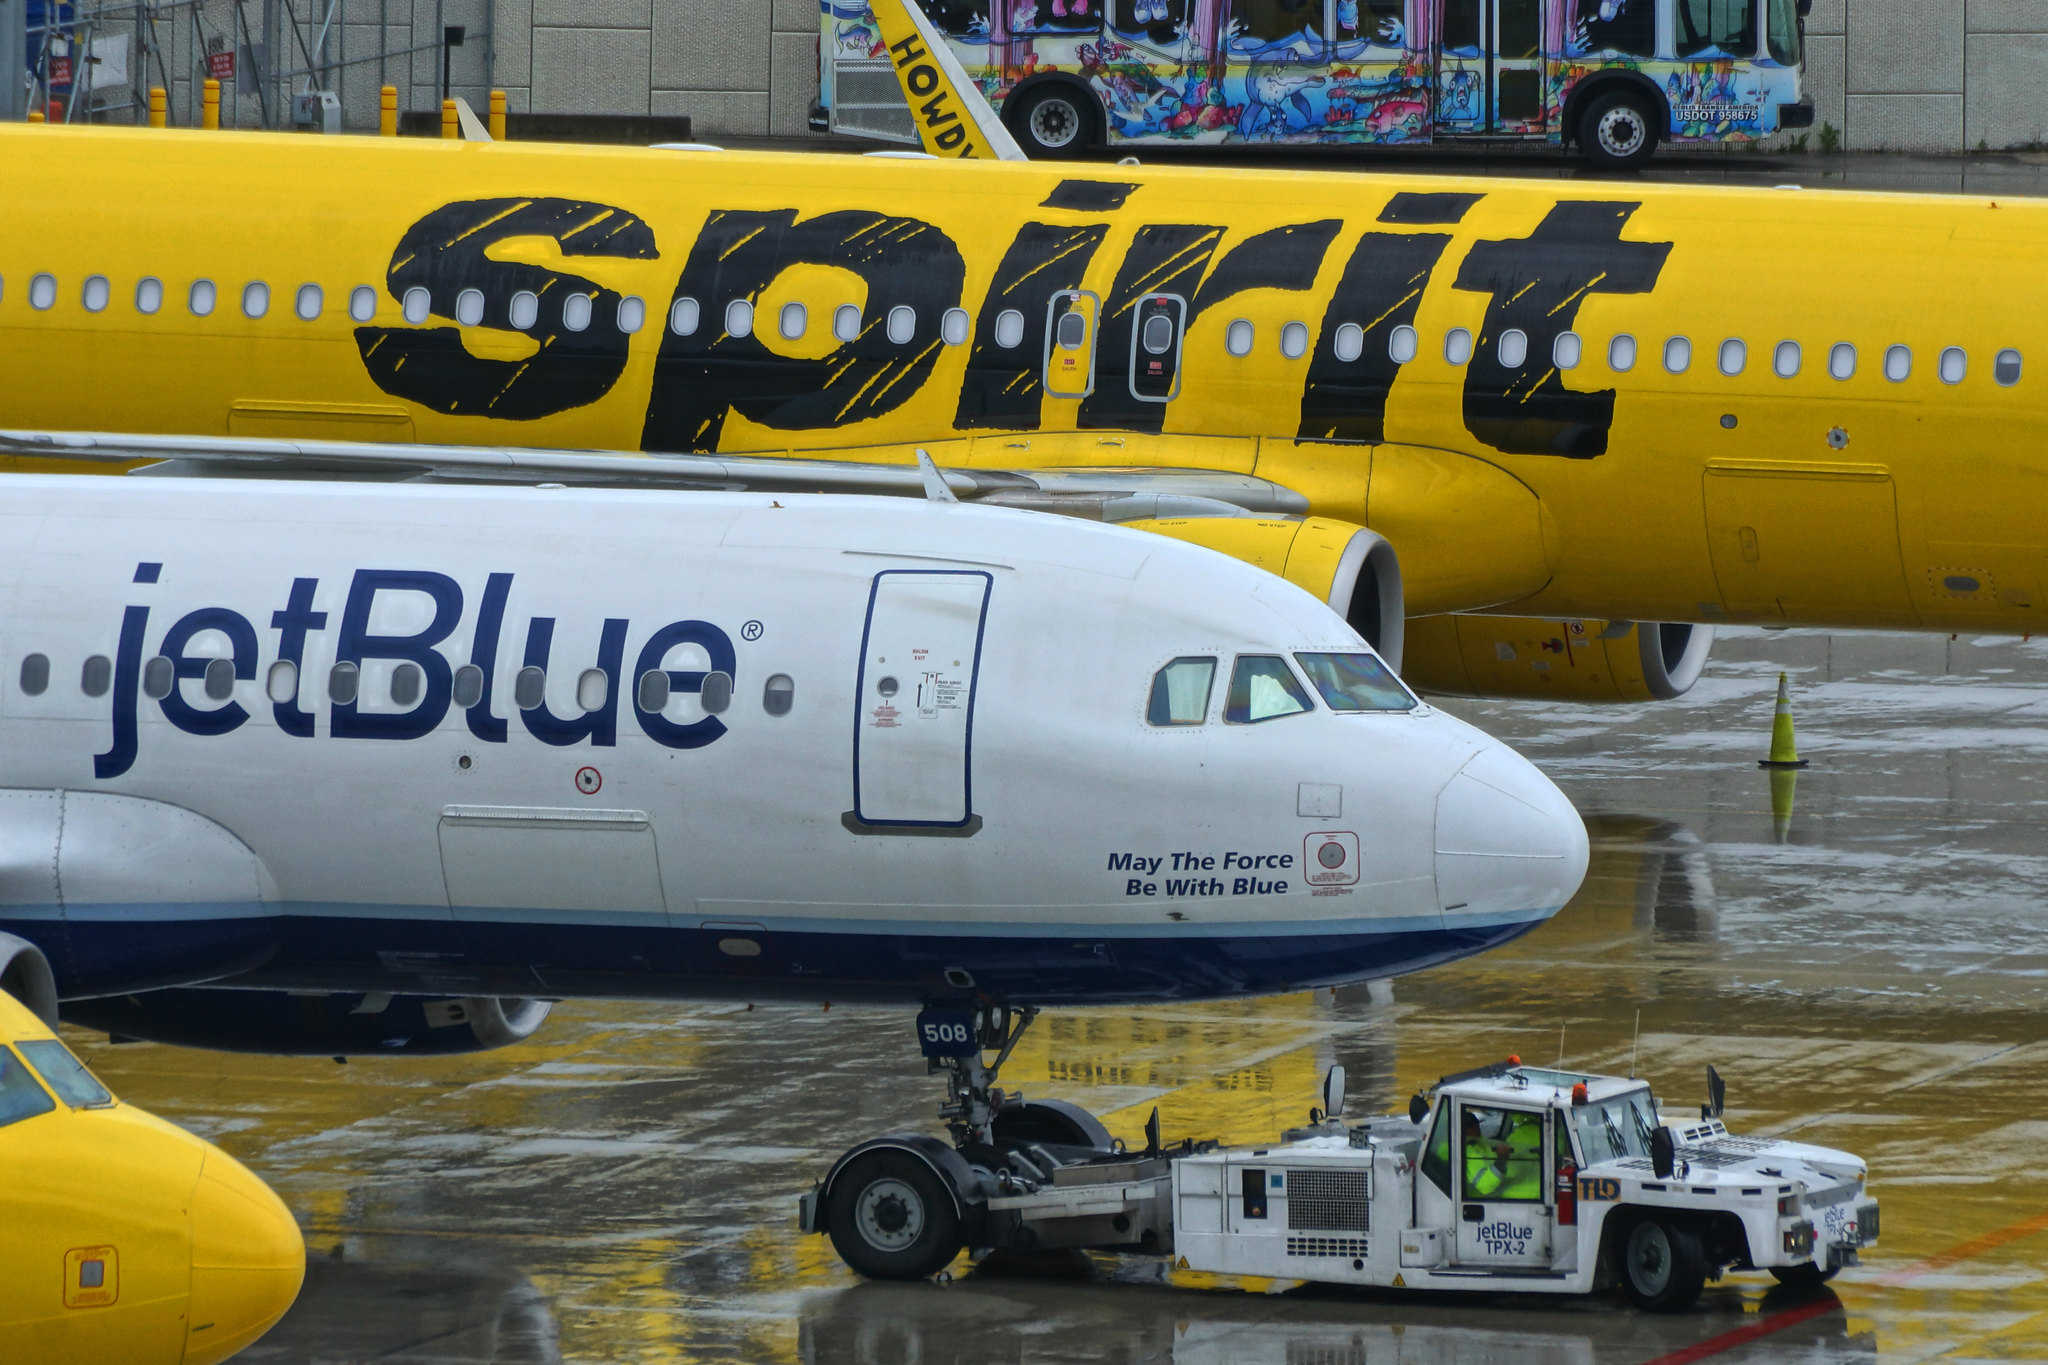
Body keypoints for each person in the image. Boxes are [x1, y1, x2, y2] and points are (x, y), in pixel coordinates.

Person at [1463, 1110, 1505, 1198]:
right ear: (1466, 1129)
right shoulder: (1469, 1152)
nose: (1478, 1129)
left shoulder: (1478, 1142)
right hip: (1481, 1199)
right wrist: (1502, 1159)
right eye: (1475, 1126)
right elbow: (1485, 1184)